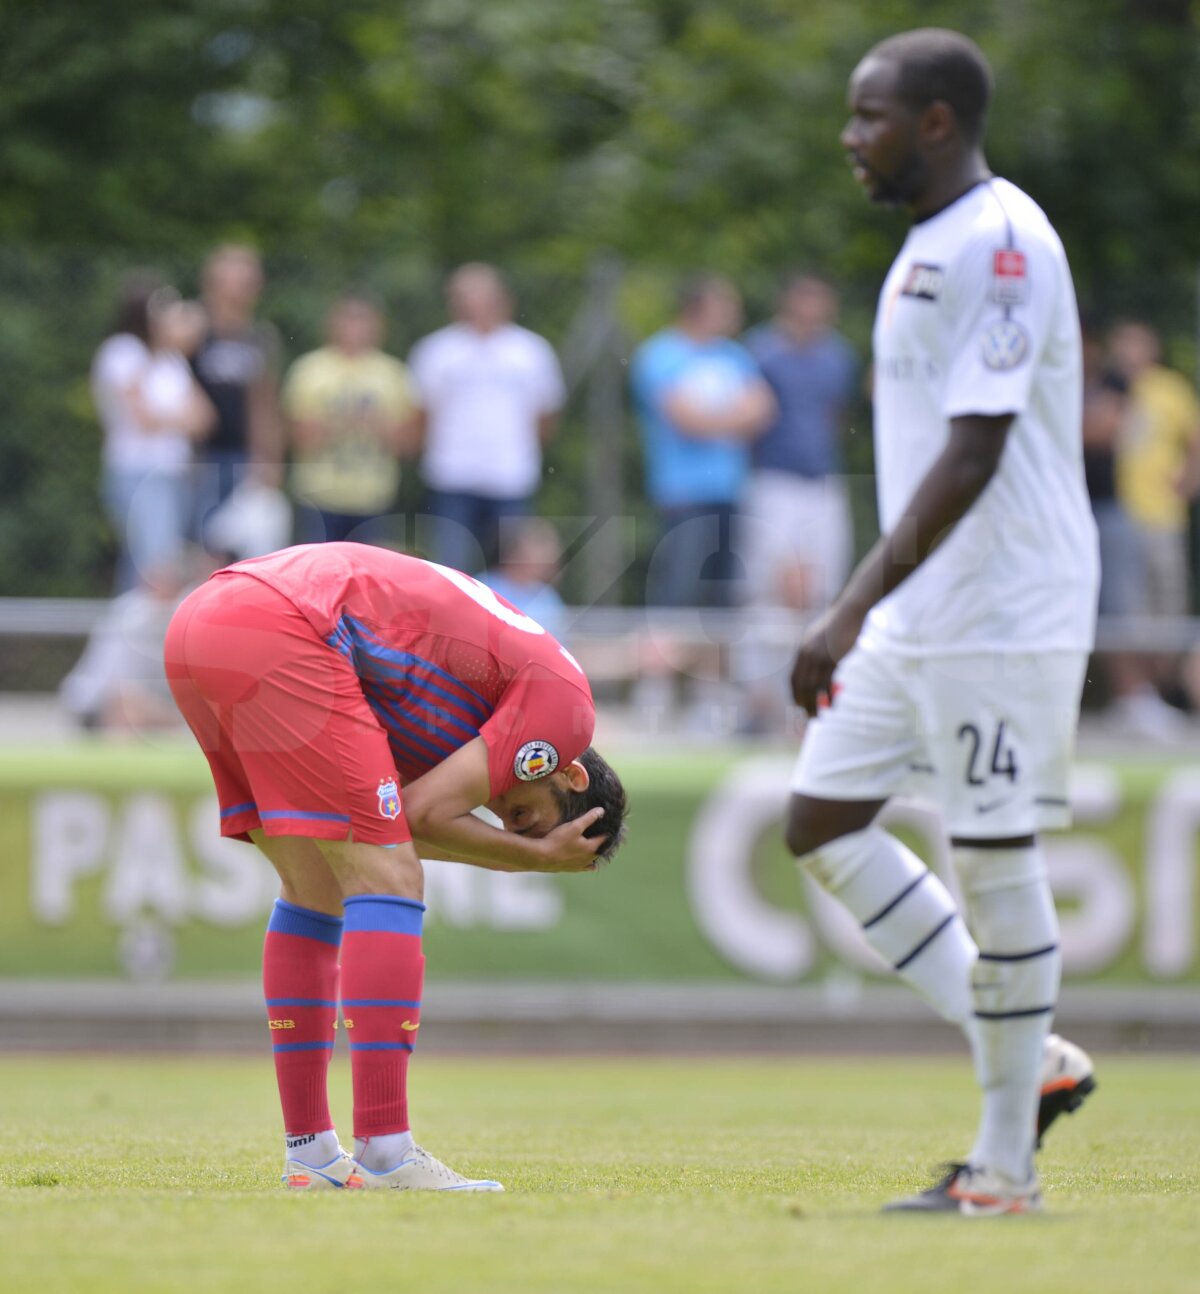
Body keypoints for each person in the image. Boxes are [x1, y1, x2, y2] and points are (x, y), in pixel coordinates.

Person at [785, 29, 1098, 1215]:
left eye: (869, 116)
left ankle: (1004, 1168)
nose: (850, 139)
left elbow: (977, 450)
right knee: (820, 822)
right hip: (927, 603)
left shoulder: (1003, 242)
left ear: (934, 121)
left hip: (1004, 602)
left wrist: (846, 609)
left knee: (992, 849)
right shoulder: (930, 244)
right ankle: (1036, 1054)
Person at [164, 541, 627, 1192]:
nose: (500, 815)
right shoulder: (568, 715)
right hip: (287, 622)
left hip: (204, 619)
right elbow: (423, 819)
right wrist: (533, 857)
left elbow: (400, 824)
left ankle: (313, 1156)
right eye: (523, 813)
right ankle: (385, 1148)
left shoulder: (457, 719)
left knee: (317, 883)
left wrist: (520, 849)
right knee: (392, 881)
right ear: (567, 769)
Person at [737, 274, 860, 732]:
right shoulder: (761, 351)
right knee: (770, 591)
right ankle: (760, 700)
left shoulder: (837, 356)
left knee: (819, 589)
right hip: (773, 481)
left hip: (820, 482)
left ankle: (810, 699)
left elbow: (834, 414)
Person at [408, 264, 566, 574]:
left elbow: (546, 416)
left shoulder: (530, 351)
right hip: (452, 473)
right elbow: (422, 413)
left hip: (510, 476)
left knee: (513, 569)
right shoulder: (436, 350)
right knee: (449, 567)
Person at [630, 274, 776, 610]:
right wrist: (735, 419)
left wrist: (711, 420)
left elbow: (765, 411)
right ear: (698, 308)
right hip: (683, 493)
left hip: (730, 491)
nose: (734, 313)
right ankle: (663, 663)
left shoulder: (734, 355)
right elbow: (685, 421)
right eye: (726, 305)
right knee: (680, 591)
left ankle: (711, 665)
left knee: (723, 598)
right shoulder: (661, 355)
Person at [91, 273, 215, 592]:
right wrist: (178, 418)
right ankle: (133, 637)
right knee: (157, 567)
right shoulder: (123, 351)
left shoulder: (170, 361)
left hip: (172, 473)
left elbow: (204, 419)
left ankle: (131, 638)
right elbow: (143, 418)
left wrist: (169, 418)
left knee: (148, 565)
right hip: (140, 472)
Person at [283, 294, 419, 545]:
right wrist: (343, 422)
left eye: (363, 321)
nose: (355, 328)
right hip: (319, 496)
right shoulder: (310, 369)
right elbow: (297, 436)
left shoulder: (393, 373)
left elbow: (409, 442)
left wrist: (373, 425)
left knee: (369, 578)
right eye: (348, 320)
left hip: (373, 497)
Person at [190, 245, 285, 546]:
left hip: (241, 457)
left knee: (233, 544)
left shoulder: (259, 337)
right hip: (195, 456)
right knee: (192, 541)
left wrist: (269, 458)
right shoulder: (192, 329)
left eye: (247, 283)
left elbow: (264, 402)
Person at [480, 516, 570, 642]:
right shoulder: (481, 589)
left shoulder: (547, 597)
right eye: (540, 544)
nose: (551, 553)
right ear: (514, 550)